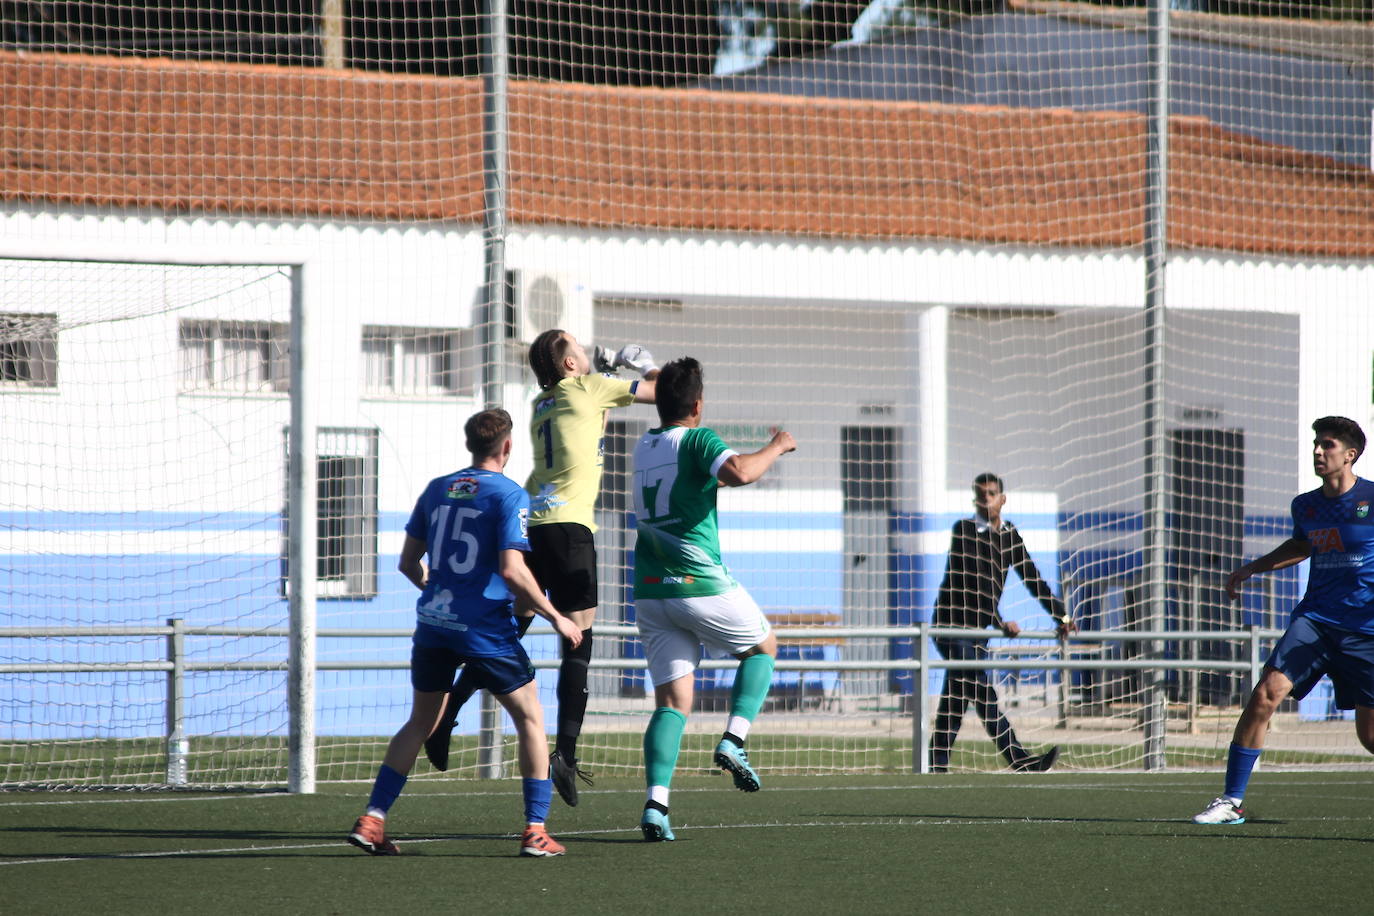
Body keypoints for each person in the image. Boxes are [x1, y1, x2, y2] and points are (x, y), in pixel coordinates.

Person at [424, 330, 657, 807]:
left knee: (508, 632)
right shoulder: (587, 388)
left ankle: (447, 715)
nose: (587, 353)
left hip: (533, 527)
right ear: (571, 364)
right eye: (579, 349)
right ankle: (565, 755)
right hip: (570, 530)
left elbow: (595, 425)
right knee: (578, 642)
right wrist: (643, 365)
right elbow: (664, 392)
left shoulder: (542, 401)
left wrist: (606, 375)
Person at [347, 408, 585, 858]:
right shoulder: (510, 495)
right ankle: (536, 830)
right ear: (508, 447)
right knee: (531, 718)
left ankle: (372, 819)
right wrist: (556, 616)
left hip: (434, 624)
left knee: (420, 722)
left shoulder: (437, 490)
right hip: (483, 629)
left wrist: (441, 593)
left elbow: (406, 565)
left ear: (470, 445)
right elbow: (513, 571)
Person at [630, 357, 796, 842]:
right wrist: (778, 445)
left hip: (650, 590)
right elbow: (741, 471)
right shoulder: (699, 438)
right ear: (698, 406)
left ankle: (656, 806)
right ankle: (733, 739)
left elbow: (697, 482)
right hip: (697, 585)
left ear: (656, 402)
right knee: (764, 647)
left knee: (672, 702)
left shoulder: (644, 445)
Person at [1193, 416, 1374, 825]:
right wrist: (1251, 568)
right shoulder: (1306, 505)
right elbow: (1301, 545)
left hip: (1366, 630)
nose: (1317, 451)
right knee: (1265, 694)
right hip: (1314, 621)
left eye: (1327, 445)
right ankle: (1231, 801)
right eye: (1316, 444)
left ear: (1350, 455)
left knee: (1370, 737)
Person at [929, 472, 1075, 773]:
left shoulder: (1009, 535)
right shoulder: (965, 530)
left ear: (1002, 499)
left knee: (958, 695)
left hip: (977, 631)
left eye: (991, 493)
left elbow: (1033, 578)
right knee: (982, 691)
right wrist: (999, 621)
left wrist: (1062, 616)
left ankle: (936, 763)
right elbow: (973, 582)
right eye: (980, 494)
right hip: (951, 627)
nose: (986, 499)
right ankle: (1021, 761)